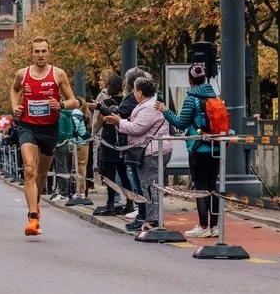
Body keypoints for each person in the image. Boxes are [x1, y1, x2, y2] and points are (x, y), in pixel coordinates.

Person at [10, 37, 78, 237]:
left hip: (50, 128)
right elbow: (14, 90)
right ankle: (32, 217)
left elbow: (74, 100)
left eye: (43, 51)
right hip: (27, 126)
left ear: (49, 52)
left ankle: (35, 204)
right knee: (29, 170)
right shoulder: (22, 74)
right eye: (36, 51)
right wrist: (15, 107)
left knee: (41, 173)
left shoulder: (58, 74)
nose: (40, 55)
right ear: (31, 53)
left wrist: (62, 105)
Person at [156, 63, 220, 238]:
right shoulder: (215, 98)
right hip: (215, 148)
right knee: (213, 186)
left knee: (200, 188)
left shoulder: (191, 99)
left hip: (198, 148)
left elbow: (181, 123)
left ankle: (203, 225)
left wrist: (166, 111)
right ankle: (215, 226)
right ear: (205, 79)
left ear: (190, 81)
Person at [105, 77, 169, 233]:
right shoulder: (147, 105)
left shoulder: (149, 107)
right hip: (145, 150)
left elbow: (136, 128)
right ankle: (145, 217)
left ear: (139, 92)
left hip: (151, 151)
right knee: (143, 186)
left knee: (149, 187)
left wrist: (119, 122)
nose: (133, 93)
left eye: (134, 90)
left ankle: (153, 220)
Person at [93, 74, 129, 217]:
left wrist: (94, 132)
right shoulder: (127, 102)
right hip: (123, 139)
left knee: (110, 174)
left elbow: (99, 122)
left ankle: (110, 203)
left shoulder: (107, 102)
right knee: (123, 173)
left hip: (109, 140)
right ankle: (130, 203)